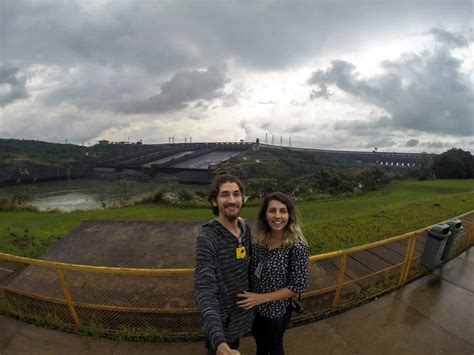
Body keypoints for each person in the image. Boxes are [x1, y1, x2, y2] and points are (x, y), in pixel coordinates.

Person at [237, 192, 309, 355]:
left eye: (282, 211)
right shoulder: (261, 239)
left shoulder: (297, 246)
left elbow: (298, 286)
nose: (277, 216)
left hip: (276, 312)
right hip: (254, 309)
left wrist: (261, 298)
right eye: (272, 211)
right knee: (260, 344)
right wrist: (239, 225)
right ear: (265, 215)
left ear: (289, 215)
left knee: (274, 346)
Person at [194, 174, 254, 355]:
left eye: (236, 194)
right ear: (214, 201)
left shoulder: (245, 229)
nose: (232, 200)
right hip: (220, 324)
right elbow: (204, 288)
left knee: (235, 344)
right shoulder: (209, 237)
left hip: (240, 318)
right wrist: (219, 343)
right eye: (225, 195)